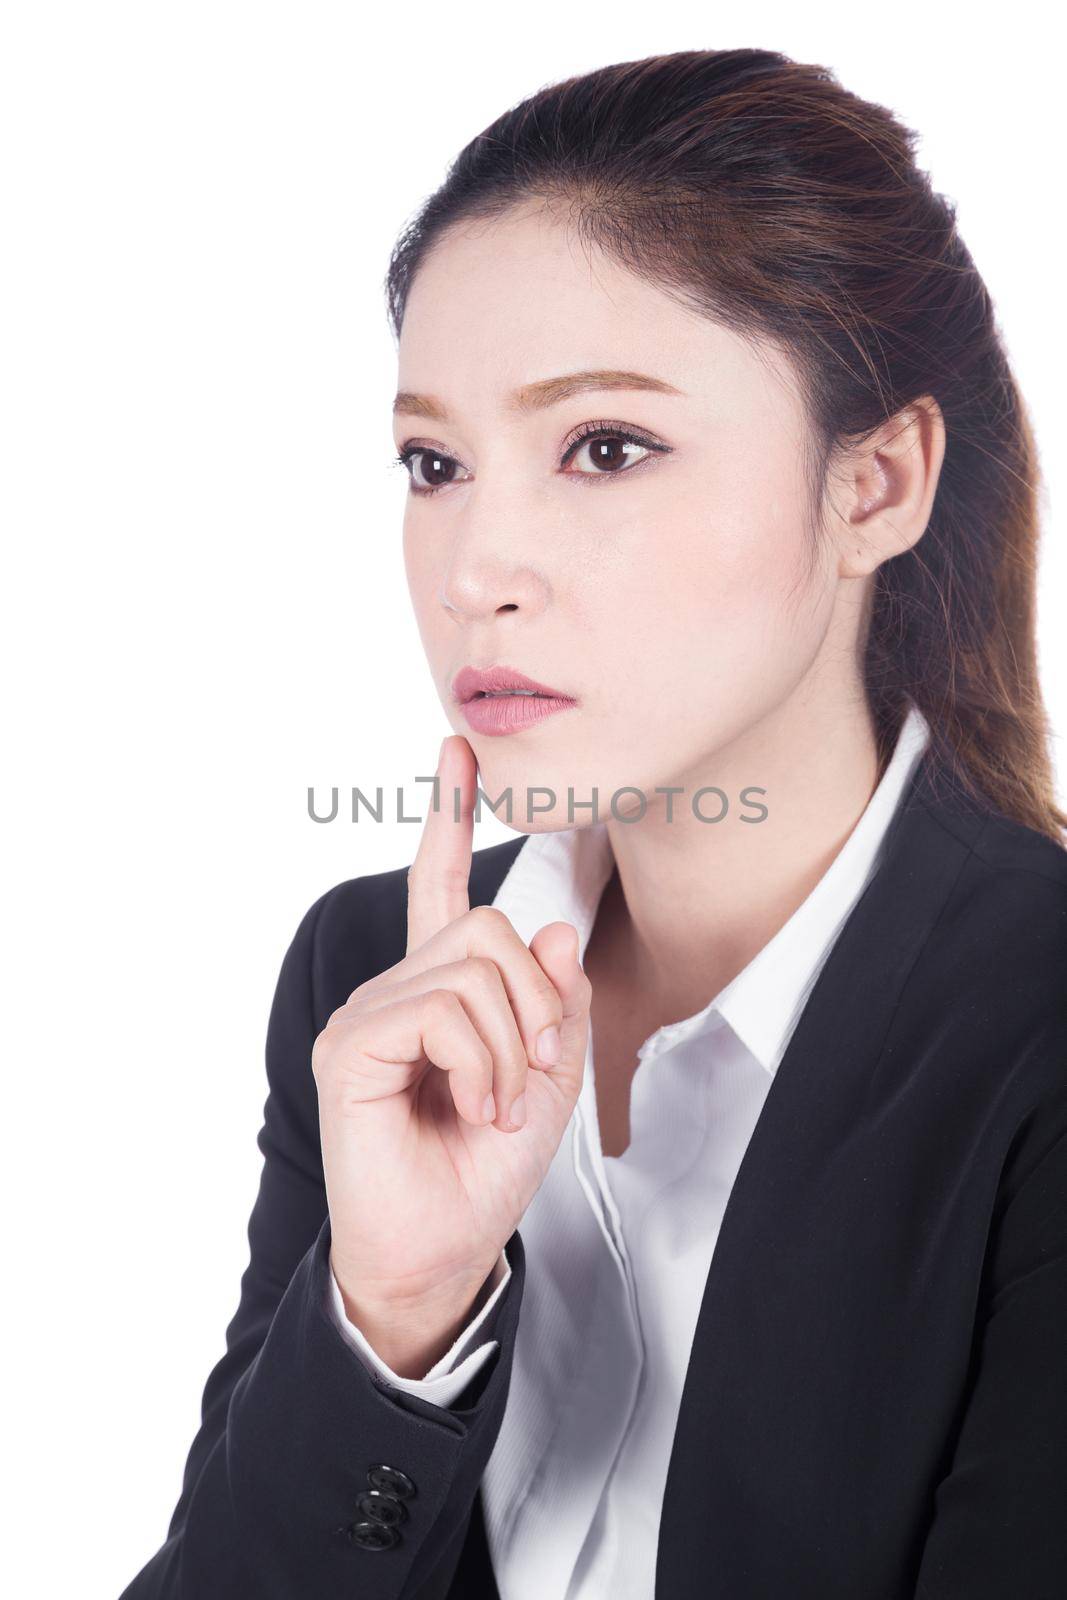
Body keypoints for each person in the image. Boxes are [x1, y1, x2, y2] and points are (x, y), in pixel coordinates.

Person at [119, 45, 1067, 1600]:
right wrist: (394, 1320)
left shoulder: (1036, 1023)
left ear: (878, 483)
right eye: (433, 463)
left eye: (605, 448)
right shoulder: (373, 975)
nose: (476, 563)